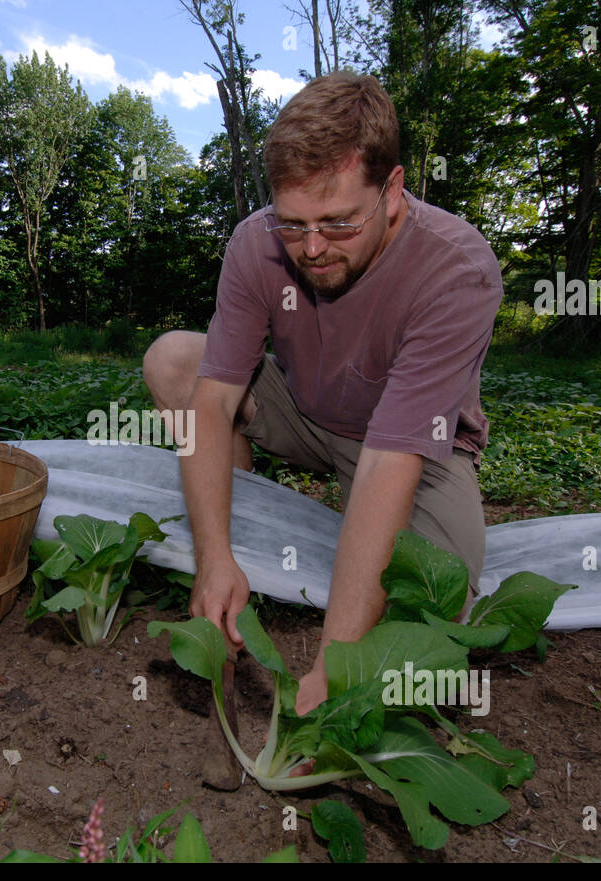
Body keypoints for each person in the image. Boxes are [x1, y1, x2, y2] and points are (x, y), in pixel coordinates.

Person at [142, 71, 502, 716]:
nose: (311, 249)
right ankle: (241, 561)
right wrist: (212, 556)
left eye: (338, 223)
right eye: (293, 223)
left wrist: (337, 662)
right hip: (305, 413)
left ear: (392, 191)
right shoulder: (258, 243)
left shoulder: (457, 269)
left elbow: (393, 459)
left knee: (438, 607)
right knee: (174, 360)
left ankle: (355, 560)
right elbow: (214, 401)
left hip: (416, 450)